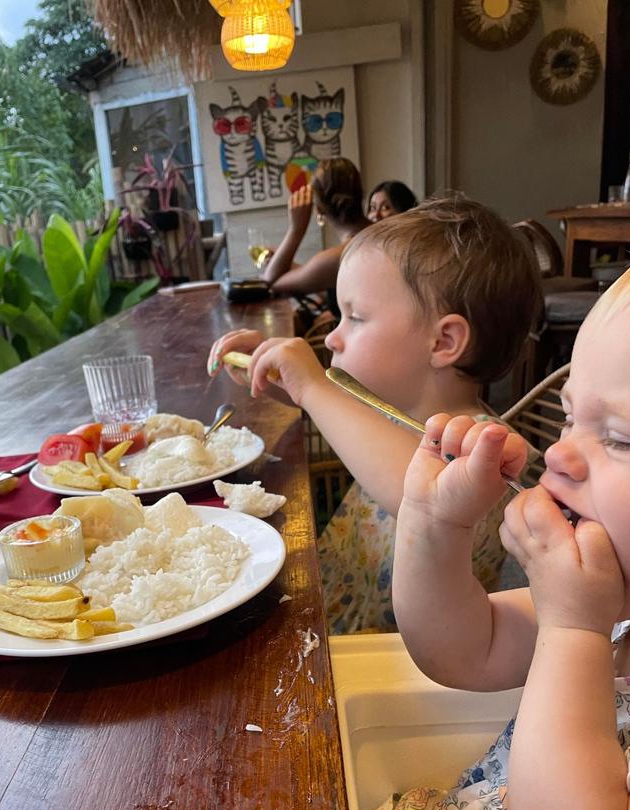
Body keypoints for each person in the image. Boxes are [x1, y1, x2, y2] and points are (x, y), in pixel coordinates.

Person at [369, 258, 630, 810]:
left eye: (622, 439)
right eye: (570, 418)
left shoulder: (590, 613)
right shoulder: (623, 600)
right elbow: (464, 647)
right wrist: (436, 526)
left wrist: (574, 628)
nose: (559, 453)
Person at [208, 194, 542, 633]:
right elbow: (349, 416)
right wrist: (280, 377)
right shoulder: (393, 406)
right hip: (329, 614)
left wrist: (311, 386)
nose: (332, 339)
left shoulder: (482, 450)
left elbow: (421, 492)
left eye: (356, 318)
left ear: (442, 344)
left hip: (389, 660)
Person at [260, 157, 370, 319]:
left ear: (317, 209)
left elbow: (270, 283)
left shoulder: (339, 256)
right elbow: (319, 275)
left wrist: (296, 229)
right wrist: (287, 263)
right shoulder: (377, 233)